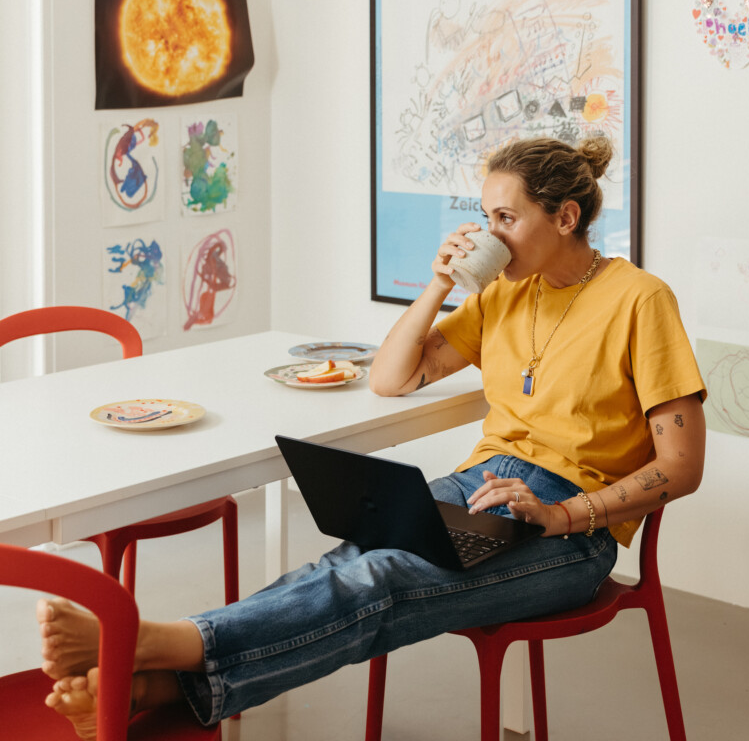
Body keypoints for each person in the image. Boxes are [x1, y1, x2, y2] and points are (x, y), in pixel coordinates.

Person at [38, 135, 706, 740]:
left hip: (574, 532)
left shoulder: (640, 300)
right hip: (484, 486)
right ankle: (157, 687)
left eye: (506, 218)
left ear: (564, 217)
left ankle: (153, 644)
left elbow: (682, 465)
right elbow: (392, 379)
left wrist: (561, 513)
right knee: (348, 563)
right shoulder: (506, 293)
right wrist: (440, 283)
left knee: (381, 578)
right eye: (484, 215)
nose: (488, 233)